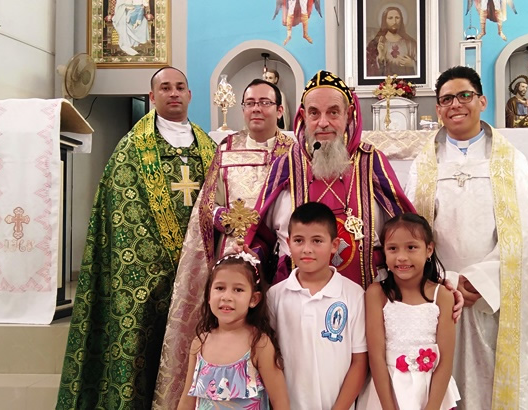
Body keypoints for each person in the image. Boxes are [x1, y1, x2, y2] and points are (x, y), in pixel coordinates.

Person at [406, 66, 528, 408]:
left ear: (482, 101)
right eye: (446, 99)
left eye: (464, 95)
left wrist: (480, 281)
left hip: (494, 294)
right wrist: (446, 280)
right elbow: (412, 233)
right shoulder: (424, 165)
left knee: (492, 380)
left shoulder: (511, 163)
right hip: (439, 290)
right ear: (438, 108)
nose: (455, 104)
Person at [56, 67, 217, 410]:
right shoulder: (131, 148)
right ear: (152, 97)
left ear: (189, 95)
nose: (174, 93)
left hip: (199, 272)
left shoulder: (209, 148)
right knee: (140, 335)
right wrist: (161, 264)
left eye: (180, 87)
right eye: (165, 88)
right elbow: (123, 213)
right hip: (147, 272)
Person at [154, 79, 295, 409]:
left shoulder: (291, 151)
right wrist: (226, 218)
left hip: (276, 256)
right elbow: (207, 203)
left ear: (279, 110)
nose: (257, 109)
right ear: (242, 109)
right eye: (250, 103)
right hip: (232, 251)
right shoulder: (227, 148)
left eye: (265, 102)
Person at [245, 70, 415, 290]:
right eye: (314, 113)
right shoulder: (287, 165)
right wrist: (252, 258)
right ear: (303, 116)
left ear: (348, 114)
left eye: (333, 112)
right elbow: (260, 235)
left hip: (367, 296)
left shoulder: (371, 161)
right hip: (295, 297)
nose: (323, 123)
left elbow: (407, 230)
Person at [267, 202, 367, 409]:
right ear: (288, 243)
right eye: (298, 240)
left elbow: (359, 361)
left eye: (317, 241)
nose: (307, 249)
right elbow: (268, 360)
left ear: (334, 245)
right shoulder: (275, 296)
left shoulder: (354, 295)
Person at [360, 213, 460, 410]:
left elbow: (446, 361)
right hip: (387, 394)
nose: (401, 257)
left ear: (429, 249)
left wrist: (432, 407)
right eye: (392, 248)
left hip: (432, 395)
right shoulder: (376, 294)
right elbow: (376, 358)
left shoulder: (442, 296)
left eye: (411, 247)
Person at [177, 252, 290, 410]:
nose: (227, 297)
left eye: (238, 290)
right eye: (220, 288)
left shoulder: (259, 344)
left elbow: (280, 402)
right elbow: (187, 401)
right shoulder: (200, 343)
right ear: (209, 296)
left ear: (253, 299)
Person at [366, 6, 417, 77]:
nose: (394, 22)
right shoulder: (375, 43)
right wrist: (380, 58)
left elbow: (423, 66)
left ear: (401, 20)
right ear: (385, 20)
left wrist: (412, 64)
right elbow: (368, 68)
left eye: (397, 18)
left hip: (406, 82)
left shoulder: (410, 43)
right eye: (390, 18)